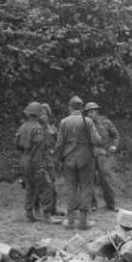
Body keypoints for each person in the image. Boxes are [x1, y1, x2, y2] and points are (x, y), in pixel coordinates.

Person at [54, 95, 102, 230]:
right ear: (82, 108)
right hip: (86, 158)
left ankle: (69, 221)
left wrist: (59, 159)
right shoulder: (88, 121)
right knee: (86, 187)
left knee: (71, 188)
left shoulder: (64, 122)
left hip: (69, 158)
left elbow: (59, 144)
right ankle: (83, 221)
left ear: (70, 107)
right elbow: (97, 140)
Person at [14, 101, 51, 223]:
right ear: (38, 114)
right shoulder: (38, 128)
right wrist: (39, 165)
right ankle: (47, 215)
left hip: (24, 159)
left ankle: (29, 214)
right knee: (46, 186)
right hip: (34, 160)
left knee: (30, 187)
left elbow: (17, 144)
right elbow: (38, 147)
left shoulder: (22, 127)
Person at [83, 101, 120, 211]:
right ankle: (93, 205)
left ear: (97, 111)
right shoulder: (84, 124)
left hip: (103, 154)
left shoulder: (106, 122)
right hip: (89, 154)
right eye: (88, 112)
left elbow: (115, 135)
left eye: (92, 111)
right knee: (89, 179)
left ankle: (111, 204)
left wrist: (114, 145)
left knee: (106, 179)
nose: (90, 114)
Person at [40, 103, 59, 216]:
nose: (44, 116)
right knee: (46, 186)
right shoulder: (37, 128)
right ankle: (44, 211)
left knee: (52, 184)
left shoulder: (51, 128)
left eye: (46, 113)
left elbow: (58, 141)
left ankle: (53, 209)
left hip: (51, 160)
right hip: (41, 160)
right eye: (41, 113)